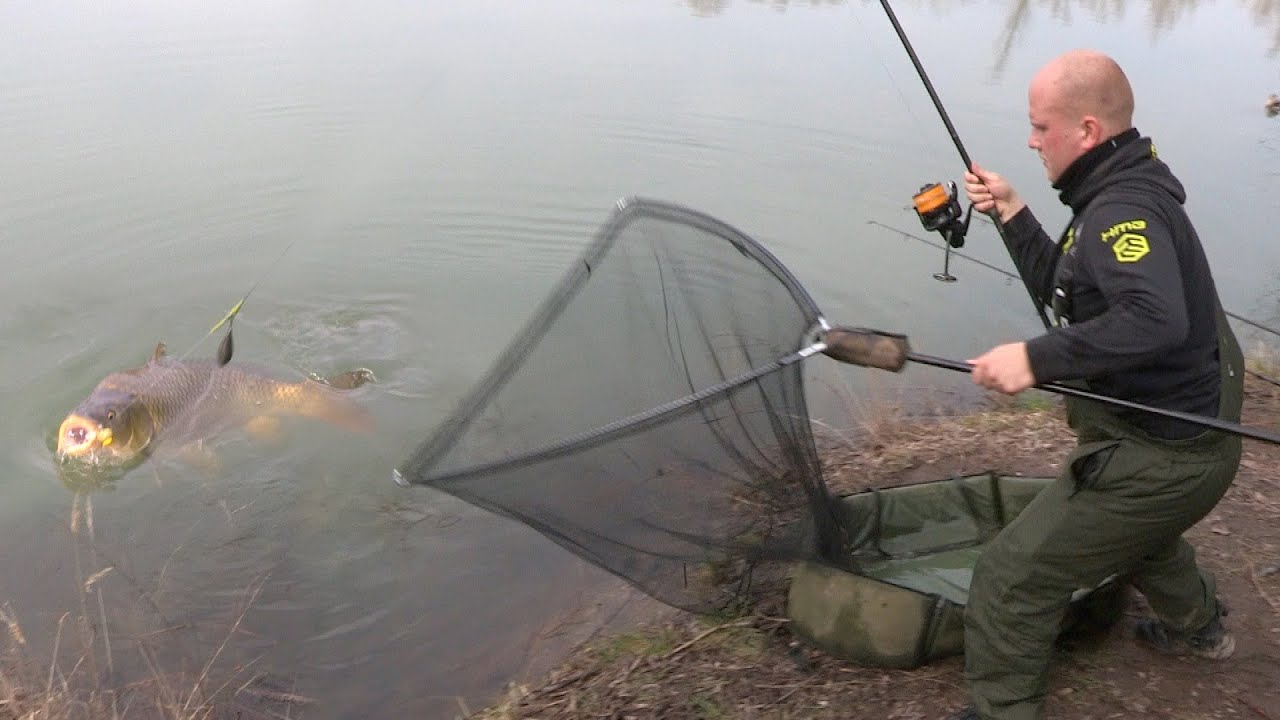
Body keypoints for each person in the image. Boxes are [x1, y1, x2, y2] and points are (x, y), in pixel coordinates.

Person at [950, 49, 1244, 720]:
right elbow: (1073, 290)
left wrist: (1034, 359)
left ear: (1086, 131)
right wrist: (1013, 212)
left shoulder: (1120, 212)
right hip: (1192, 436)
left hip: (1167, 455)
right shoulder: (1123, 187)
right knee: (1141, 538)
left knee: (1010, 575)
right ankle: (1201, 630)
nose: (1031, 140)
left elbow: (1155, 318)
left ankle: (1001, 710)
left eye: (1040, 126)